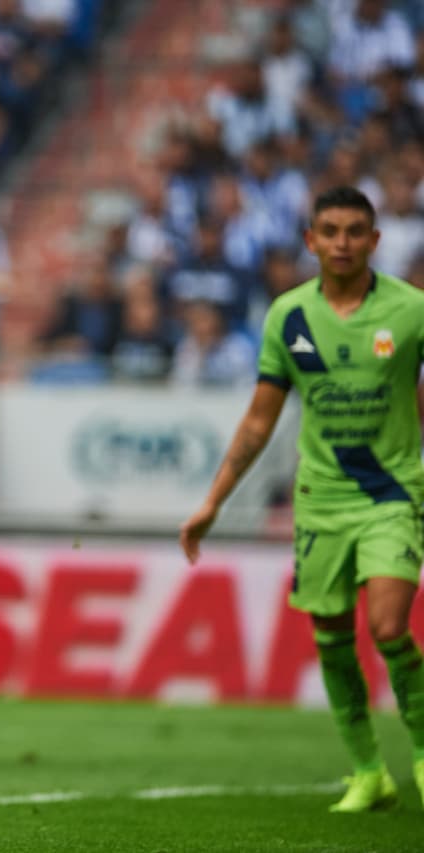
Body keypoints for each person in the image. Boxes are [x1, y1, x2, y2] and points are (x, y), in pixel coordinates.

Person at [179, 186, 424, 814]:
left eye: (355, 231)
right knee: (333, 636)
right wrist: (214, 502)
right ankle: (368, 771)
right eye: (330, 231)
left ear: (375, 240)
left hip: (391, 492)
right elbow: (260, 421)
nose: (342, 242)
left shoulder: (411, 311)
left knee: (390, 625)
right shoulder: (288, 316)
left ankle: (423, 753)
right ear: (310, 241)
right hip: (319, 500)